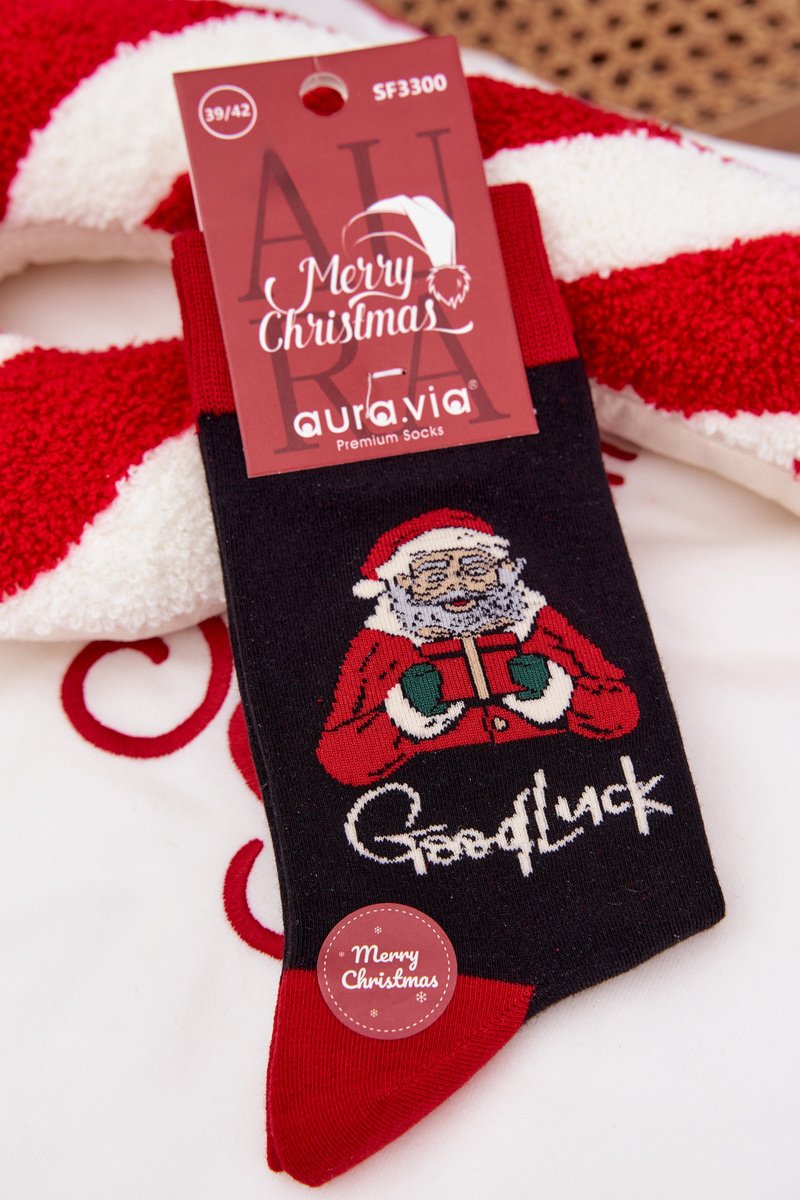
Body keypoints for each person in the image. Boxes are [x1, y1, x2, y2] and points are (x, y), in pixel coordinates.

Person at [317, 508, 639, 786]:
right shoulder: (381, 647)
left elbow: (622, 711)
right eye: (434, 573)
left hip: (564, 781)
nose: (457, 584)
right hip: (434, 797)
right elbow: (341, 759)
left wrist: (559, 690)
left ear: (500, 572)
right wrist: (403, 714)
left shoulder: (538, 623)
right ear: (402, 583)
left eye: (474, 567)